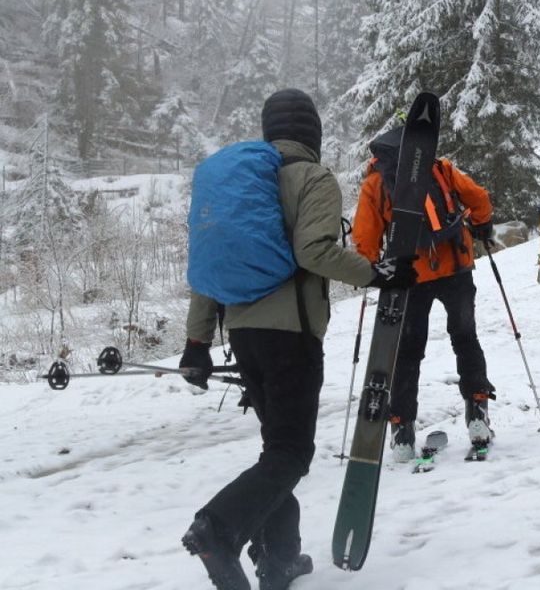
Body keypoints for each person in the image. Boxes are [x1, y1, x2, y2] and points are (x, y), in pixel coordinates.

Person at [178, 89, 417, 590]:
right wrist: (377, 275)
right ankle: (217, 529)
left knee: (276, 448)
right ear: (314, 133)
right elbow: (313, 251)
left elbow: (206, 268)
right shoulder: (313, 178)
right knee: (290, 454)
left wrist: (197, 343)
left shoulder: (243, 186)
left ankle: (278, 558)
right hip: (291, 335)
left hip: (243, 334)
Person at [352, 126, 497, 462]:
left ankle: (402, 430)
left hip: (409, 276)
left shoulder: (376, 182)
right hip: (456, 269)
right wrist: (482, 224)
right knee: (465, 338)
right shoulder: (439, 168)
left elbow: (365, 237)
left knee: (407, 353)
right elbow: (478, 198)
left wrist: (370, 271)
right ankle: (477, 415)